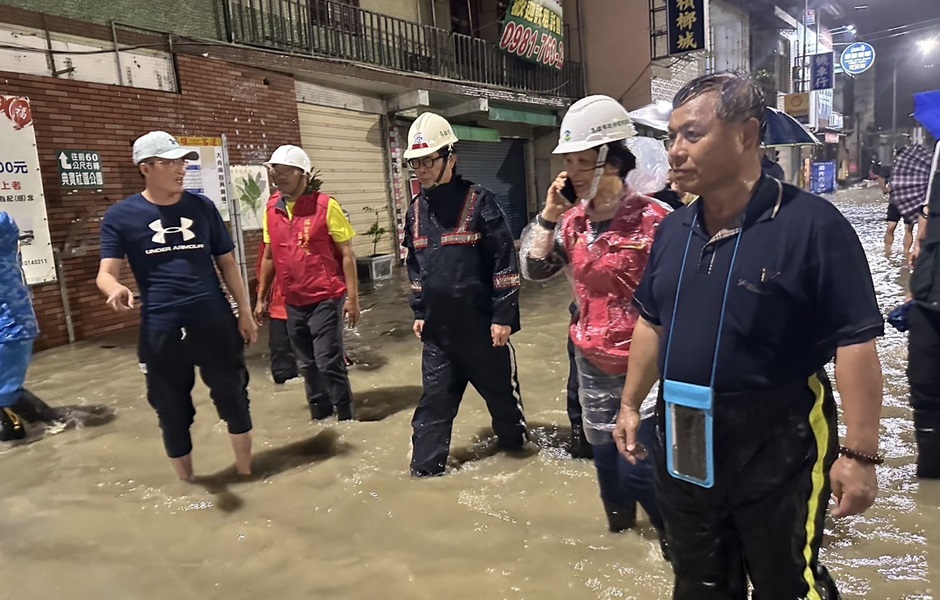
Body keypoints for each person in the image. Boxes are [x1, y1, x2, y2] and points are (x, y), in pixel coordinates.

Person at [614, 72, 884, 597]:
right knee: (698, 578)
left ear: (746, 136)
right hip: (684, 429)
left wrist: (860, 454)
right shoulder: (673, 230)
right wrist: (630, 404)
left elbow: (855, 342)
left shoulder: (812, 226)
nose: (674, 152)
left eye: (692, 135)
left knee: (786, 578)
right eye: (671, 137)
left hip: (778, 435)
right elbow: (652, 320)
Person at [521, 96, 667, 534]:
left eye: (584, 162)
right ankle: (622, 538)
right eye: (569, 162)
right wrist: (549, 214)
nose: (573, 174)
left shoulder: (656, 221)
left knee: (642, 469)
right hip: (592, 363)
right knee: (607, 469)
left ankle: (677, 549)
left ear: (613, 161)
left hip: (650, 366)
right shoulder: (572, 224)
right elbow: (533, 270)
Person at [96, 131, 258, 481]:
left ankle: (247, 474)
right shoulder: (120, 216)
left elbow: (228, 263)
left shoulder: (202, 208)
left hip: (213, 319)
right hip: (161, 327)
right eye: (170, 163)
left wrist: (244, 312)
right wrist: (114, 288)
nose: (180, 169)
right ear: (145, 168)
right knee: (170, 409)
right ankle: (190, 485)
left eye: (181, 161)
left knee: (234, 395)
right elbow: (105, 273)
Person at [402, 112, 528, 477]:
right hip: (439, 338)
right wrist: (419, 311)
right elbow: (415, 266)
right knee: (431, 413)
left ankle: (519, 463)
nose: (422, 169)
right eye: (416, 163)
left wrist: (503, 318)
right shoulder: (414, 213)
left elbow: (505, 260)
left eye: (428, 161)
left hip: (485, 334)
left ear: (450, 160)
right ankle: (424, 478)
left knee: (505, 411)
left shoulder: (480, 202)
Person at [254, 145, 359, 421]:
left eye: (285, 171)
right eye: (275, 171)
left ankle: (346, 416)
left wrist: (352, 299)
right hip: (293, 299)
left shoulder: (326, 206)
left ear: (303, 174)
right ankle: (321, 418)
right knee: (306, 364)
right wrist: (261, 296)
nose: (279, 176)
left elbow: (347, 254)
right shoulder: (271, 209)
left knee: (327, 359)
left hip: (326, 295)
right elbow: (268, 256)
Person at [907, 148, 940, 478]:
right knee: (924, 381)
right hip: (930, 292)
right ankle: (930, 476)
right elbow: (928, 221)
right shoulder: (939, 154)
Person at [0, 211, 39, 441]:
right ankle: (53, 421)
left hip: (9, 330)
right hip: (14, 327)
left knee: (3, 397)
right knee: (8, 393)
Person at [256, 239, 298, 384]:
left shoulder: (320, 220)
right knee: (281, 373)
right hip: (281, 307)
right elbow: (264, 264)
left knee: (321, 362)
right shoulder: (272, 225)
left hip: (316, 305)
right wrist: (261, 299)